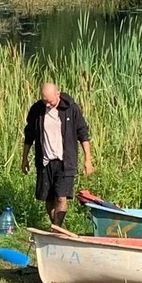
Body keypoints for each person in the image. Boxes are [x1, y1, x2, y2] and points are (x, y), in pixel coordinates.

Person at [20, 81, 94, 227]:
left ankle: (56, 229)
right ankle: (56, 227)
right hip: (45, 161)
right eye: (44, 100)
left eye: (50, 101)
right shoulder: (37, 110)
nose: (47, 104)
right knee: (48, 199)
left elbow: (83, 133)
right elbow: (29, 136)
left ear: (58, 94)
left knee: (61, 198)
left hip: (65, 161)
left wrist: (88, 159)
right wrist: (24, 159)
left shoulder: (71, 109)